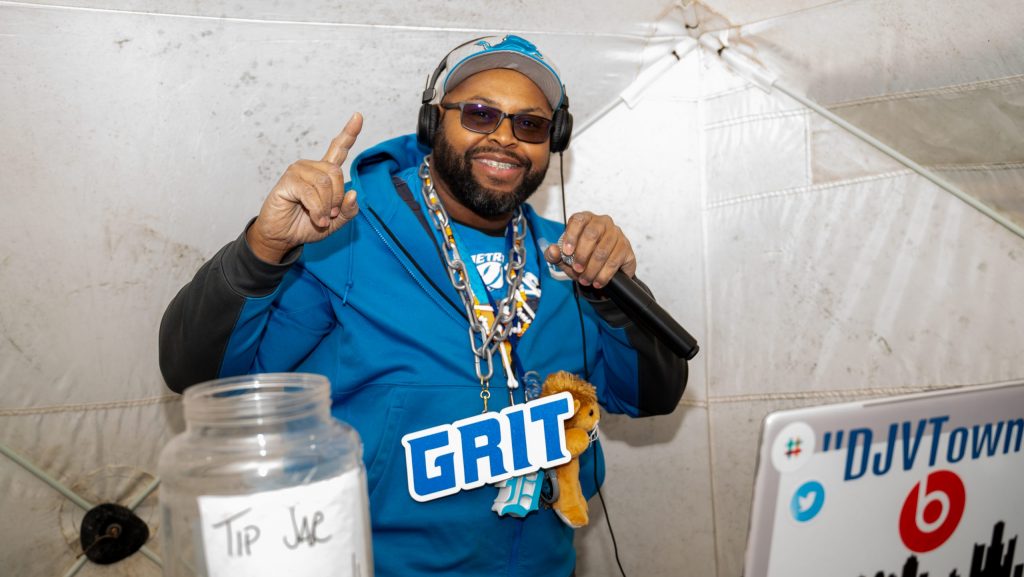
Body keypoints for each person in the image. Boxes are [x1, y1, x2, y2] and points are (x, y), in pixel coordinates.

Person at [160, 34, 688, 577]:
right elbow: (199, 375)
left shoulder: (568, 257)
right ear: (434, 124)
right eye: (480, 115)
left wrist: (617, 291)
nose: (505, 138)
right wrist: (263, 251)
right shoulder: (345, 238)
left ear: (552, 142)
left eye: (529, 124)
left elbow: (653, 394)